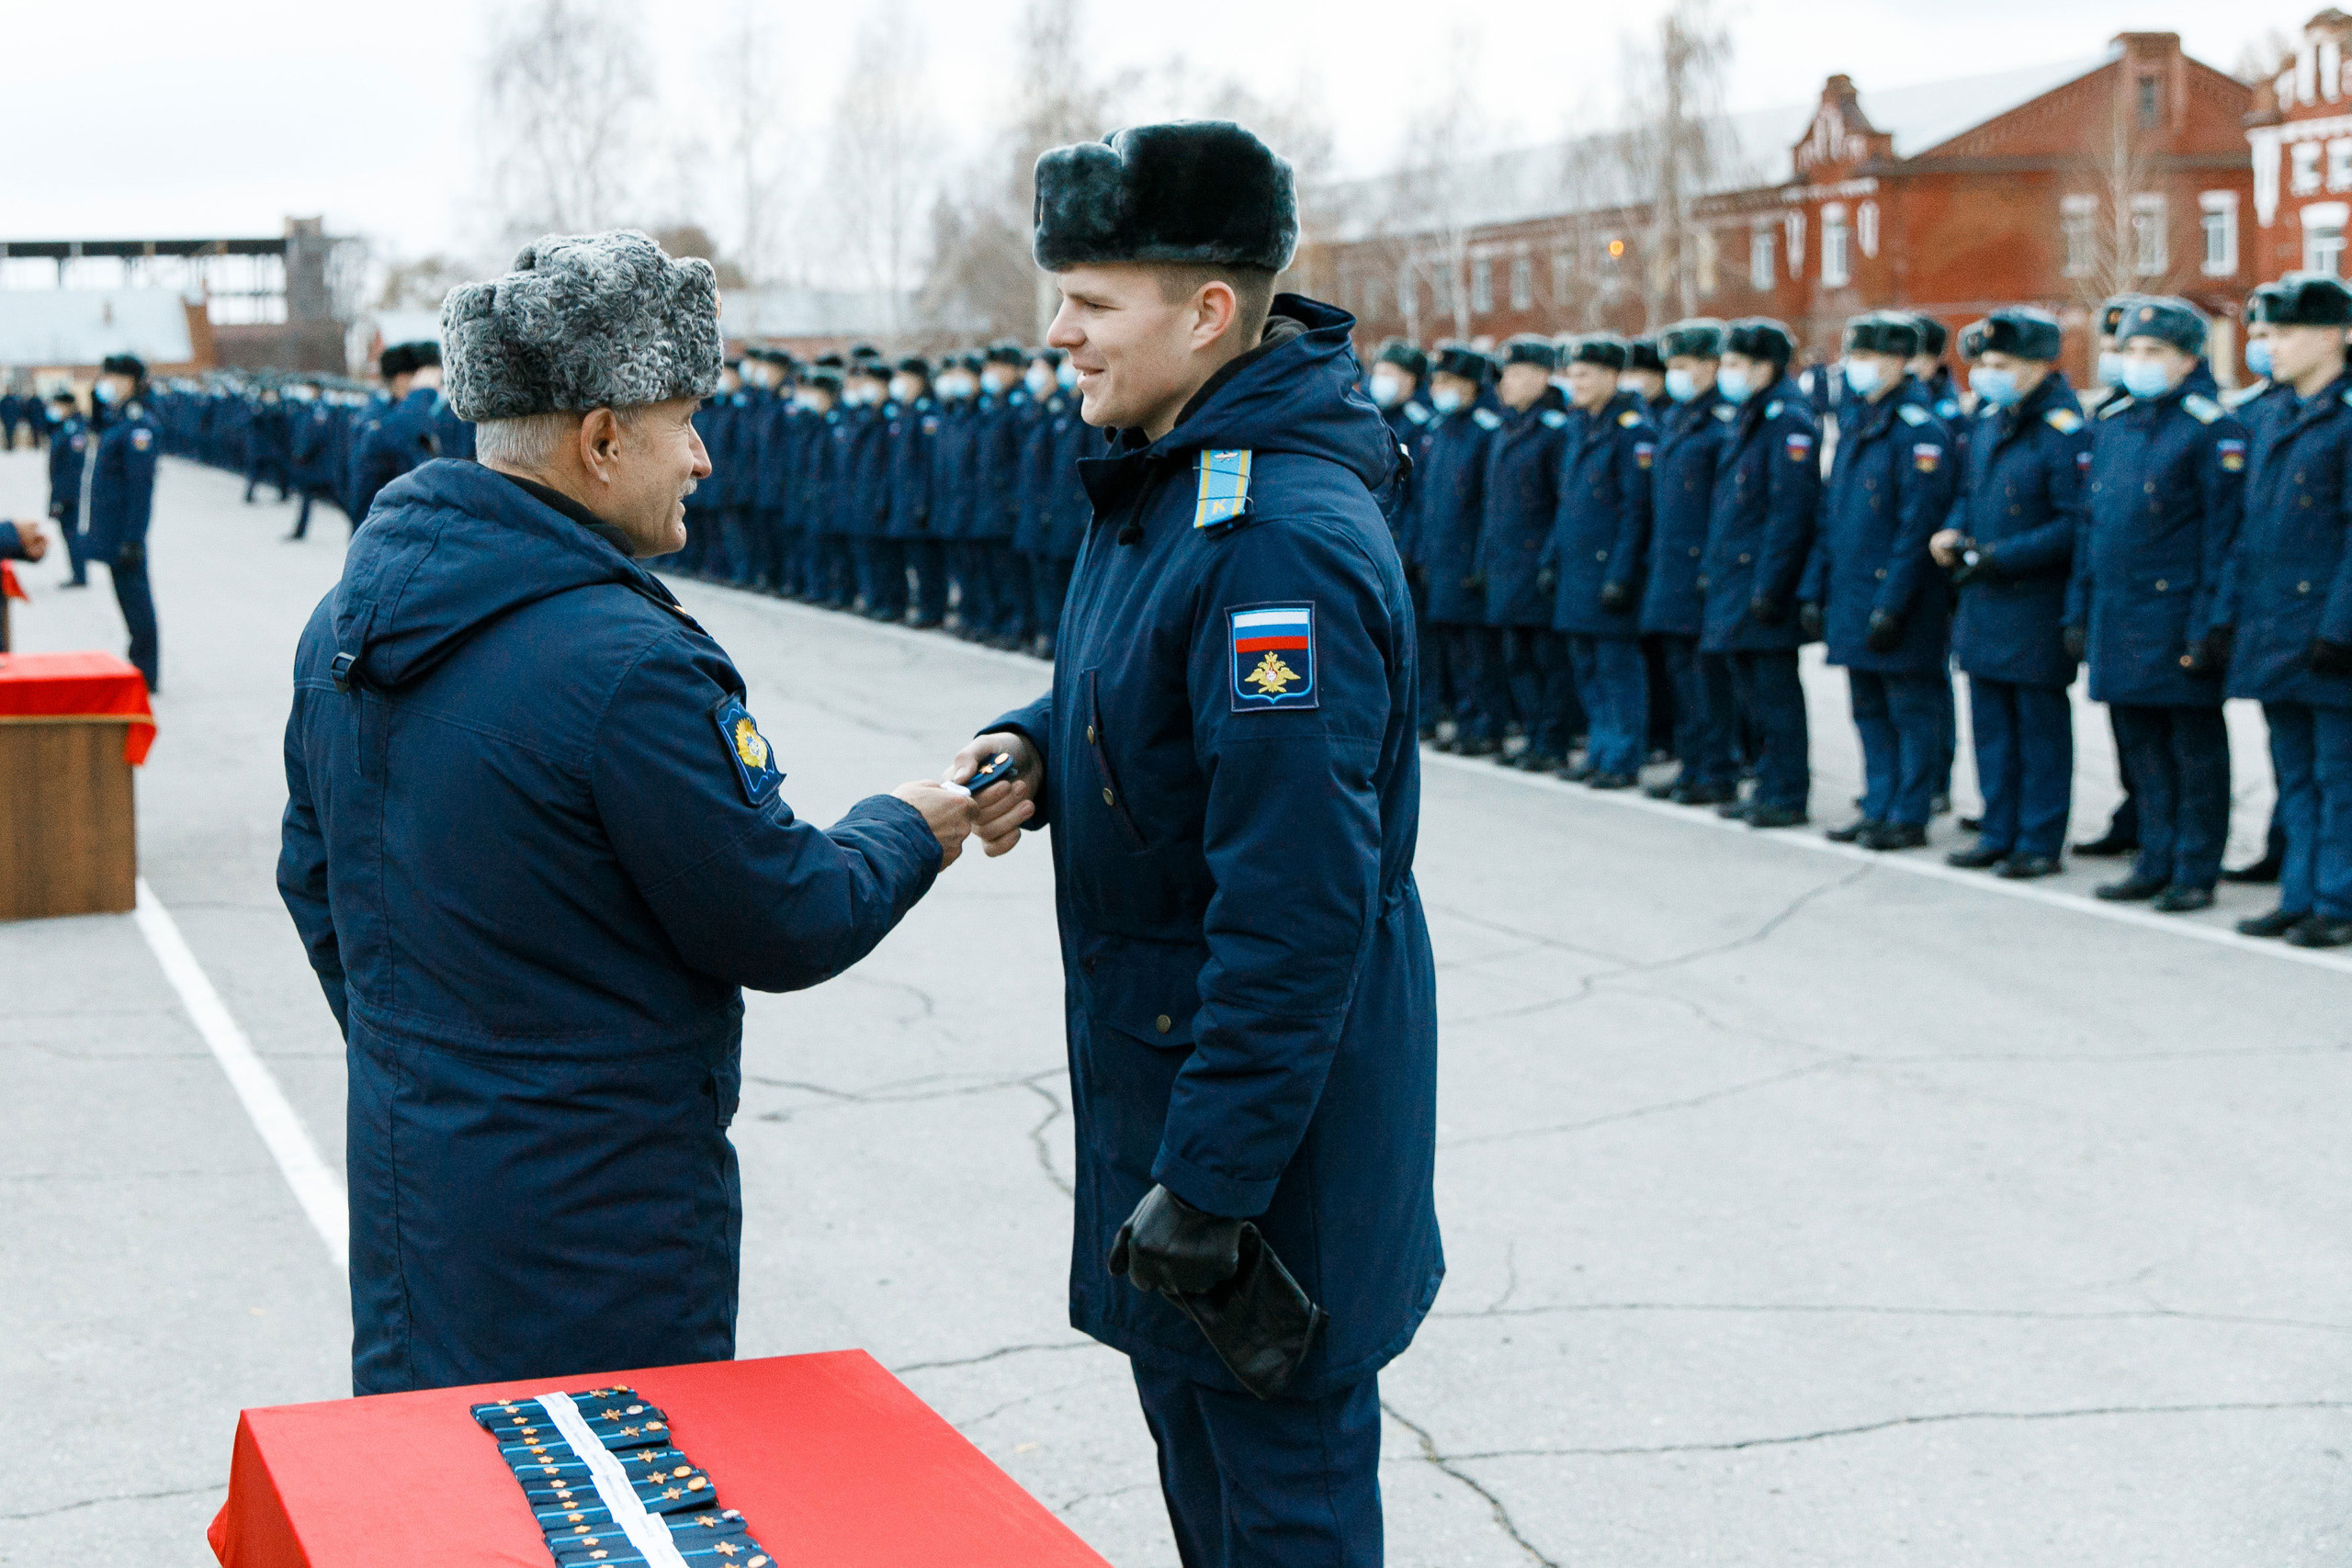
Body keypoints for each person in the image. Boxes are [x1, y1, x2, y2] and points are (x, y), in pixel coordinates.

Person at [277, 231, 974, 1395]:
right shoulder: (624, 663)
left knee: (447, 1505)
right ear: (602, 440)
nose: (703, 457)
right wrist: (911, 826)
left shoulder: (349, 617)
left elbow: (319, 885)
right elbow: (784, 917)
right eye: (683, 423)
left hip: (421, 1185)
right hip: (599, 1226)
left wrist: (441, 1069)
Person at [948, 121, 1437, 1567]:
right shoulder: (1171, 473)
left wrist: (1213, 1184)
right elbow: (1152, 689)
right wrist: (1044, 743)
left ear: (1207, 311)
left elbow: (1298, 905)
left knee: (1279, 1513)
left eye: (1093, 303)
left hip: (1257, 1151)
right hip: (1186, 1106)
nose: (1061, 335)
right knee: (1214, 1502)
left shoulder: (1271, 535)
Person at [2064, 297, 2244, 912]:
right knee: (2141, 749)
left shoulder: (2208, 428)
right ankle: (2153, 856)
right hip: (2119, 615)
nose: (2136, 362)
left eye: (2153, 352)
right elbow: (2093, 527)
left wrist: (2208, 628)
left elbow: (2223, 540)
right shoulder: (2111, 422)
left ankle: (2194, 869)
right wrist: (2077, 611)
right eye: (2129, 351)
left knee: (2192, 754)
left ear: (2188, 358)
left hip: (2176, 618)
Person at [2222, 273, 2352, 946]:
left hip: (2331, 634)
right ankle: (2299, 892)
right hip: (2275, 625)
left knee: (2340, 778)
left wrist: (2340, 627)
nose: (2268, 345)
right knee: (2294, 774)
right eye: (2264, 332)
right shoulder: (2268, 412)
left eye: (2284, 332)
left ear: (2333, 335)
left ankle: (2338, 899)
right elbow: (2248, 529)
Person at [1934, 307, 2086, 880]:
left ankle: (2039, 838)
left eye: (2001, 364)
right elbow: (1970, 492)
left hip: (2031, 602)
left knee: (2038, 731)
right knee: (1993, 726)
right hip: (1984, 599)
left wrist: (2000, 556)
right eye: (1982, 363)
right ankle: (1999, 829)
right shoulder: (1991, 421)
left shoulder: (2062, 431)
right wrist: (1954, 528)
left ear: (2039, 366)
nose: (1986, 374)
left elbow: (2073, 523)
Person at [1810, 311, 1957, 851]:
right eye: (1854, 357)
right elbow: (1834, 514)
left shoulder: (1919, 432)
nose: (1858, 369)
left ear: (1900, 362)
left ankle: (1908, 812)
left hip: (1901, 601)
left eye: (1870, 358)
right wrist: (1820, 588)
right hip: (1853, 595)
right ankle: (1878, 802)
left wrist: (1891, 604)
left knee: (1910, 711)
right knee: (1869, 709)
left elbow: (1915, 528)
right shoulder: (1858, 424)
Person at [1702, 318, 1820, 829]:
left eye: (1733, 364)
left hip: (1763, 584)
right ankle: (1769, 784)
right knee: (1751, 691)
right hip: (1737, 581)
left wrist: (1771, 586)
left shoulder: (1787, 421)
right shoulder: (1751, 415)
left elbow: (1788, 514)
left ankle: (1788, 791)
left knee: (1775, 696)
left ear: (1762, 367)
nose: (1724, 373)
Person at [1542, 333, 1656, 788]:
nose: (1575, 383)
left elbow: (1636, 511)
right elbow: (1566, 503)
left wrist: (1622, 574)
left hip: (1609, 572)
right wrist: (1551, 557)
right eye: (1571, 374)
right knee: (1587, 666)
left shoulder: (1633, 430)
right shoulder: (1579, 425)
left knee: (1616, 668)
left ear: (1611, 375)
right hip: (1577, 570)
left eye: (1585, 374)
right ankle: (1600, 749)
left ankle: (1622, 756)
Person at [1640, 318, 1740, 805]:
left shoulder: (1721, 422)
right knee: (1682, 675)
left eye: (1684, 366)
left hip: (1703, 568)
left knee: (1707, 680)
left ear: (1710, 366)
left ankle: (1716, 768)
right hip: (1672, 566)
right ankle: (1693, 765)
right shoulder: (1679, 418)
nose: (1675, 375)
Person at [2074, 294, 2149, 858]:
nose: (2116, 360)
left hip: (2158, 600)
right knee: (2127, 725)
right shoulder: (2109, 417)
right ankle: (2134, 813)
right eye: (2110, 348)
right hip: (2113, 598)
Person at [1479, 336, 1572, 770]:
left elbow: (1563, 503)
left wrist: (1549, 559)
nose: (1505, 385)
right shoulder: (1508, 427)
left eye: (1516, 375)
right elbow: (1493, 505)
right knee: (1517, 657)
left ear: (1540, 376)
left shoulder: (1555, 430)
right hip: (1505, 564)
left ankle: (1551, 740)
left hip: (1536, 564)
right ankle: (1535, 735)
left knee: (1547, 659)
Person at [1418, 345, 1503, 753]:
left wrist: (1480, 560)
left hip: (1470, 560)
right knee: (1452, 648)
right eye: (1436, 383)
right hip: (1440, 558)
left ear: (1471, 386)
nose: (1440, 390)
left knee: (1478, 654)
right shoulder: (1439, 428)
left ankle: (1483, 725)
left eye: (1449, 383)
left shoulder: (1485, 431)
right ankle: (1467, 722)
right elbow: (1425, 500)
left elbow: (1489, 502)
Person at [83, 354, 163, 692]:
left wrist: (133, 537)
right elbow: (99, 428)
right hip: (114, 530)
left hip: (124, 534)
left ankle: (145, 672)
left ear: (128, 380)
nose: (105, 383)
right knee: (127, 600)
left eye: (111, 377)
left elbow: (140, 487)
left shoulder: (138, 425)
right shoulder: (120, 418)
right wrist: (95, 403)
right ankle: (138, 663)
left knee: (136, 601)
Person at [349, 342, 443, 526]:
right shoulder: (376, 414)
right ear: (402, 378)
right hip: (378, 529)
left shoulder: (410, 413)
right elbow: (390, 437)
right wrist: (422, 394)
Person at [45, 389, 91, 587]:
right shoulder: (64, 427)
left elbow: (74, 467)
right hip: (61, 489)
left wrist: (62, 497)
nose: (54, 410)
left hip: (68, 492)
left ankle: (79, 576)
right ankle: (77, 574)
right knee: (68, 533)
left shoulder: (74, 431)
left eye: (57, 405)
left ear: (67, 406)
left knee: (72, 534)